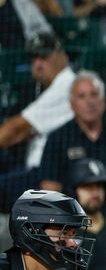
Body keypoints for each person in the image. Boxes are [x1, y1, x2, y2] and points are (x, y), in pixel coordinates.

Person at [39, 70, 106, 230]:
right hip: (74, 227)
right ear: (71, 104)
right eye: (82, 96)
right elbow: (50, 187)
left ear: (103, 101)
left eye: (94, 95)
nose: (89, 102)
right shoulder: (58, 139)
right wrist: (59, 224)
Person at [0, 33, 74, 213]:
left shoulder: (67, 85)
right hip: (36, 171)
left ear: (62, 55)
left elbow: (15, 130)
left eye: (44, 57)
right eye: (34, 58)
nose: (38, 64)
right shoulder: (46, 88)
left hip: (50, 175)